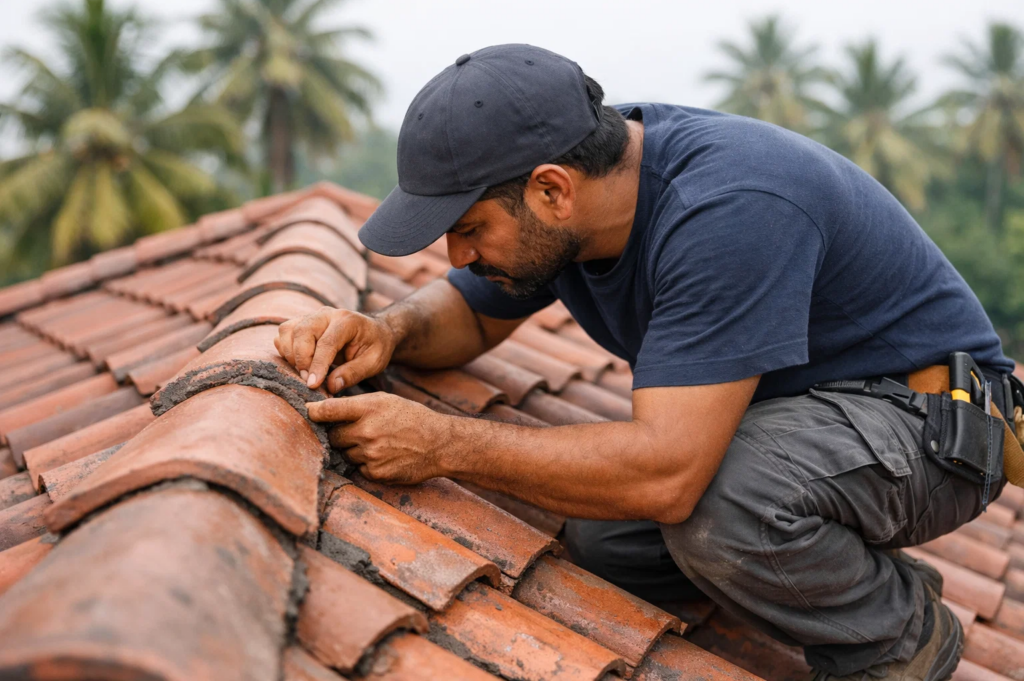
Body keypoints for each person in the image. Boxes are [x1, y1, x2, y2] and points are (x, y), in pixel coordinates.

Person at [274, 44, 1016, 680]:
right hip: (801, 421)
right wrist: (388, 329)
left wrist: (442, 444)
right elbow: (468, 314)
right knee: (603, 536)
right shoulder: (578, 191)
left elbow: (666, 469)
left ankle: (901, 635)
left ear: (552, 189)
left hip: (928, 429)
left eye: (470, 229)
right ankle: (816, 576)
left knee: (720, 506)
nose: (458, 255)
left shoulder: (726, 207)